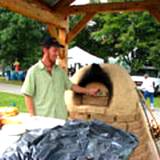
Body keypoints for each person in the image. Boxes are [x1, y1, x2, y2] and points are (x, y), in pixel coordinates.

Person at [21, 36, 99, 119]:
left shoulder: (60, 71)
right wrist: (33, 117)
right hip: (43, 120)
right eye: (54, 50)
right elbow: (27, 95)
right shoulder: (33, 71)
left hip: (60, 119)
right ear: (45, 50)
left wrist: (88, 91)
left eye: (58, 50)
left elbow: (71, 86)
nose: (57, 54)